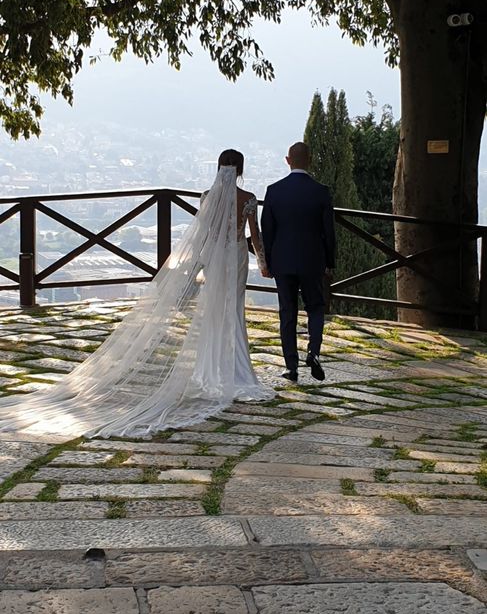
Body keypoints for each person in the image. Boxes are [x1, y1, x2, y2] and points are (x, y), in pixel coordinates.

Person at [0, 150, 272, 439]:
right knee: (233, 310)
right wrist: (264, 264)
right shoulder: (248, 199)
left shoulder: (207, 196)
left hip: (215, 259)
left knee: (212, 312)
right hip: (236, 256)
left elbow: (202, 234)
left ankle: (210, 368)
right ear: (240, 168)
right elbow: (254, 234)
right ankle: (235, 370)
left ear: (219, 168)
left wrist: (196, 265)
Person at [261, 141, 335, 382]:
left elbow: (267, 230)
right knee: (315, 307)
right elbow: (328, 231)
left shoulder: (274, 191)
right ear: (310, 160)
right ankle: (313, 352)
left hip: (283, 260)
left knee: (287, 312)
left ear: (288, 160)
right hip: (312, 260)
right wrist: (330, 261)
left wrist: (268, 261)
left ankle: (291, 366)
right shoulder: (321, 191)